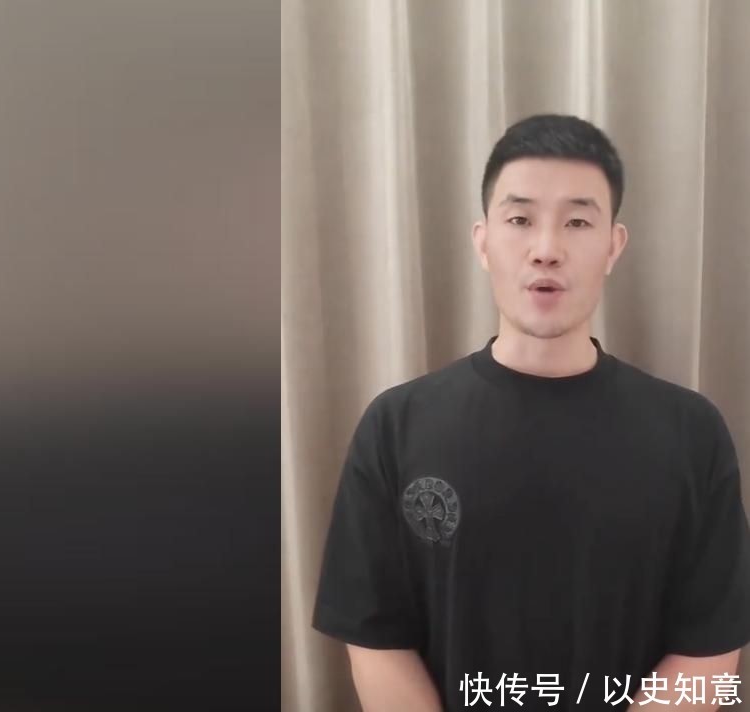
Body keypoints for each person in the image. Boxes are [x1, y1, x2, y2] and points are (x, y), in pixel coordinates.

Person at [311, 114, 750, 711]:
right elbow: (376, 637)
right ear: (483, 241)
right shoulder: (396, 426)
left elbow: (710, 648)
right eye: (520, 220)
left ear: (613, 246)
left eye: (577, 222)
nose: (547, 250)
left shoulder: (691, 433)